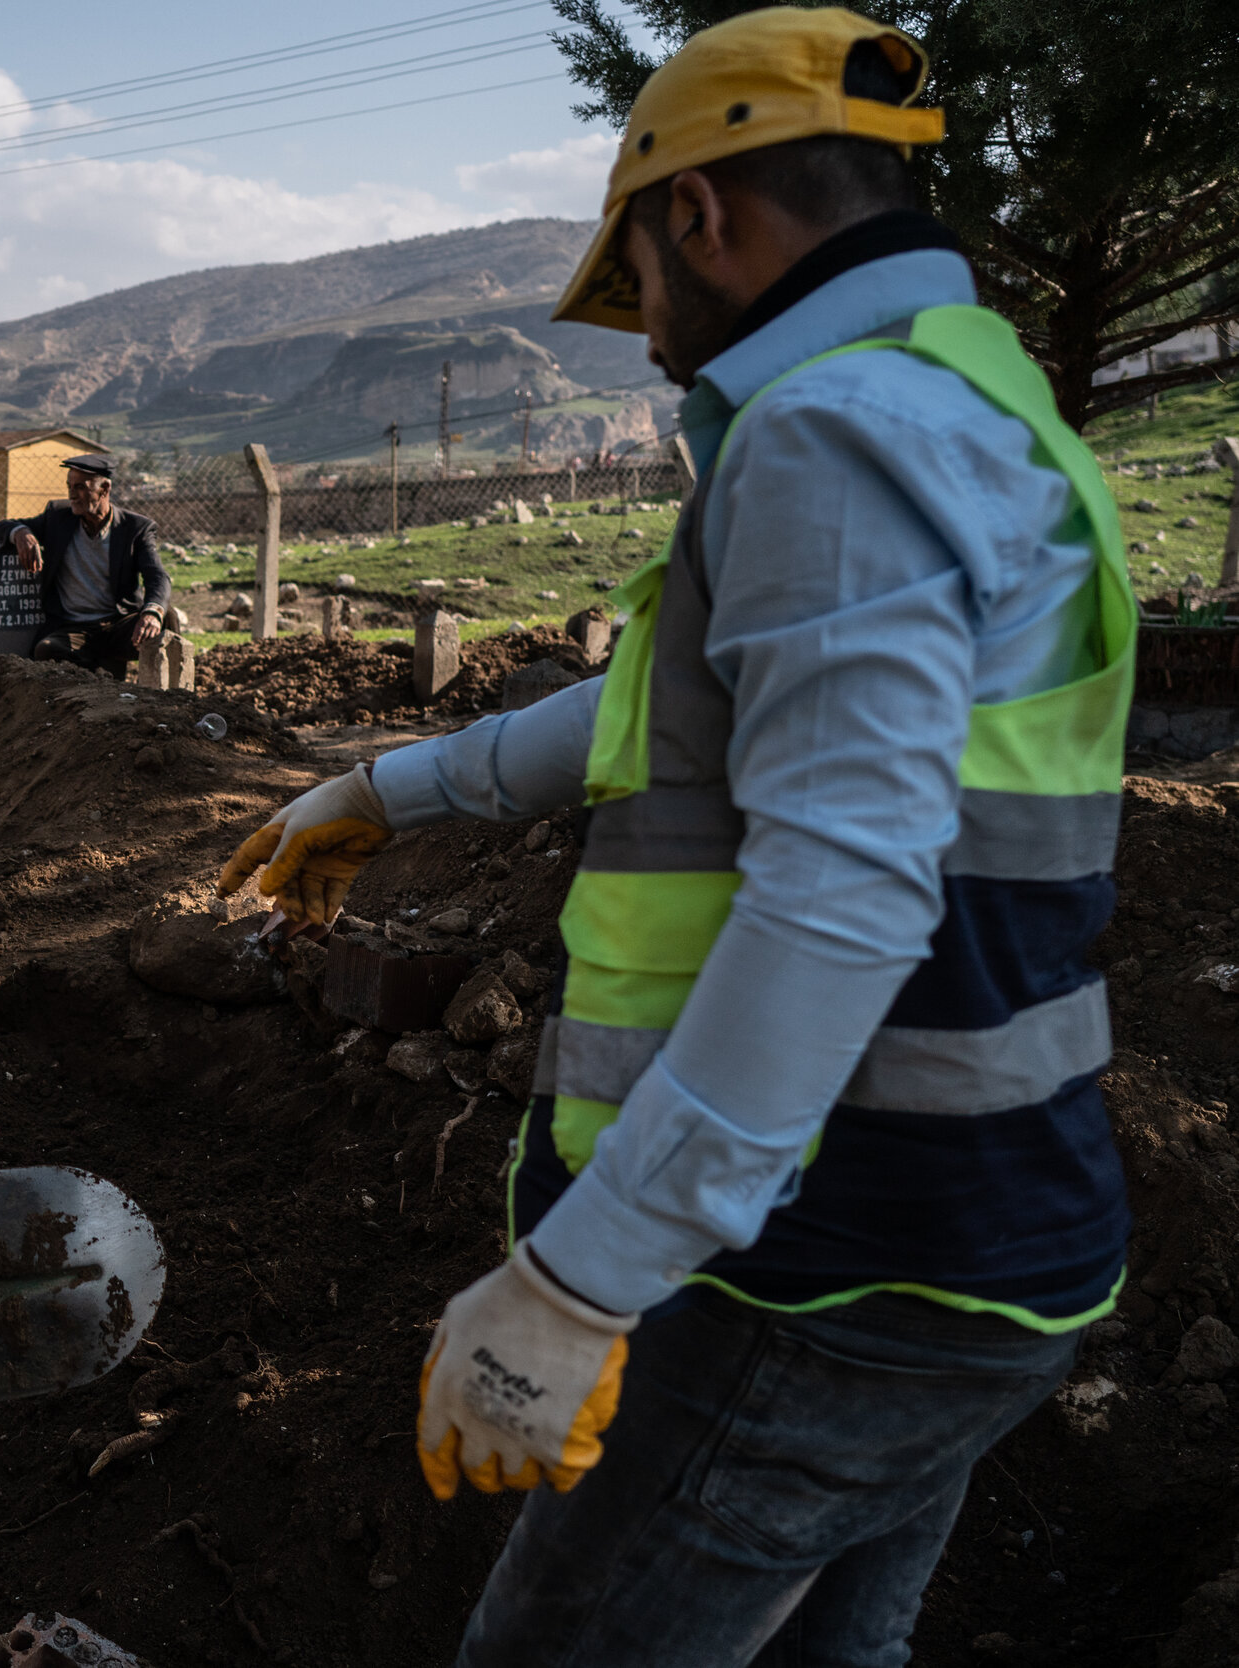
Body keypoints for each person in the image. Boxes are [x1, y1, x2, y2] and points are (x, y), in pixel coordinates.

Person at [217, 11, 1132, 1665]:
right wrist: (389, 788)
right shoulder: (970, 398)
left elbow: (843, 890)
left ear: (696, 216)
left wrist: (585, 1278)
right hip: (976, 1242)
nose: (646, 344)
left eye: (639, 282)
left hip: (832, 1265)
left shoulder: (830, 433)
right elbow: (685, 706)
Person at [0, 453, 169, 677]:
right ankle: (101, 672)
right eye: (69, 486)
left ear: (104, 489)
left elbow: (157, 576)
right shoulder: (57, 518)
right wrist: (21, 532)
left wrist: (152, 612)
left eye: (81, 487)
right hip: (73, 629)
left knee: (167, 618)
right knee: (47, 650)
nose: (72, 494)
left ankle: (169, 691)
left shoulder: (135, 529)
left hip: (118, 624)